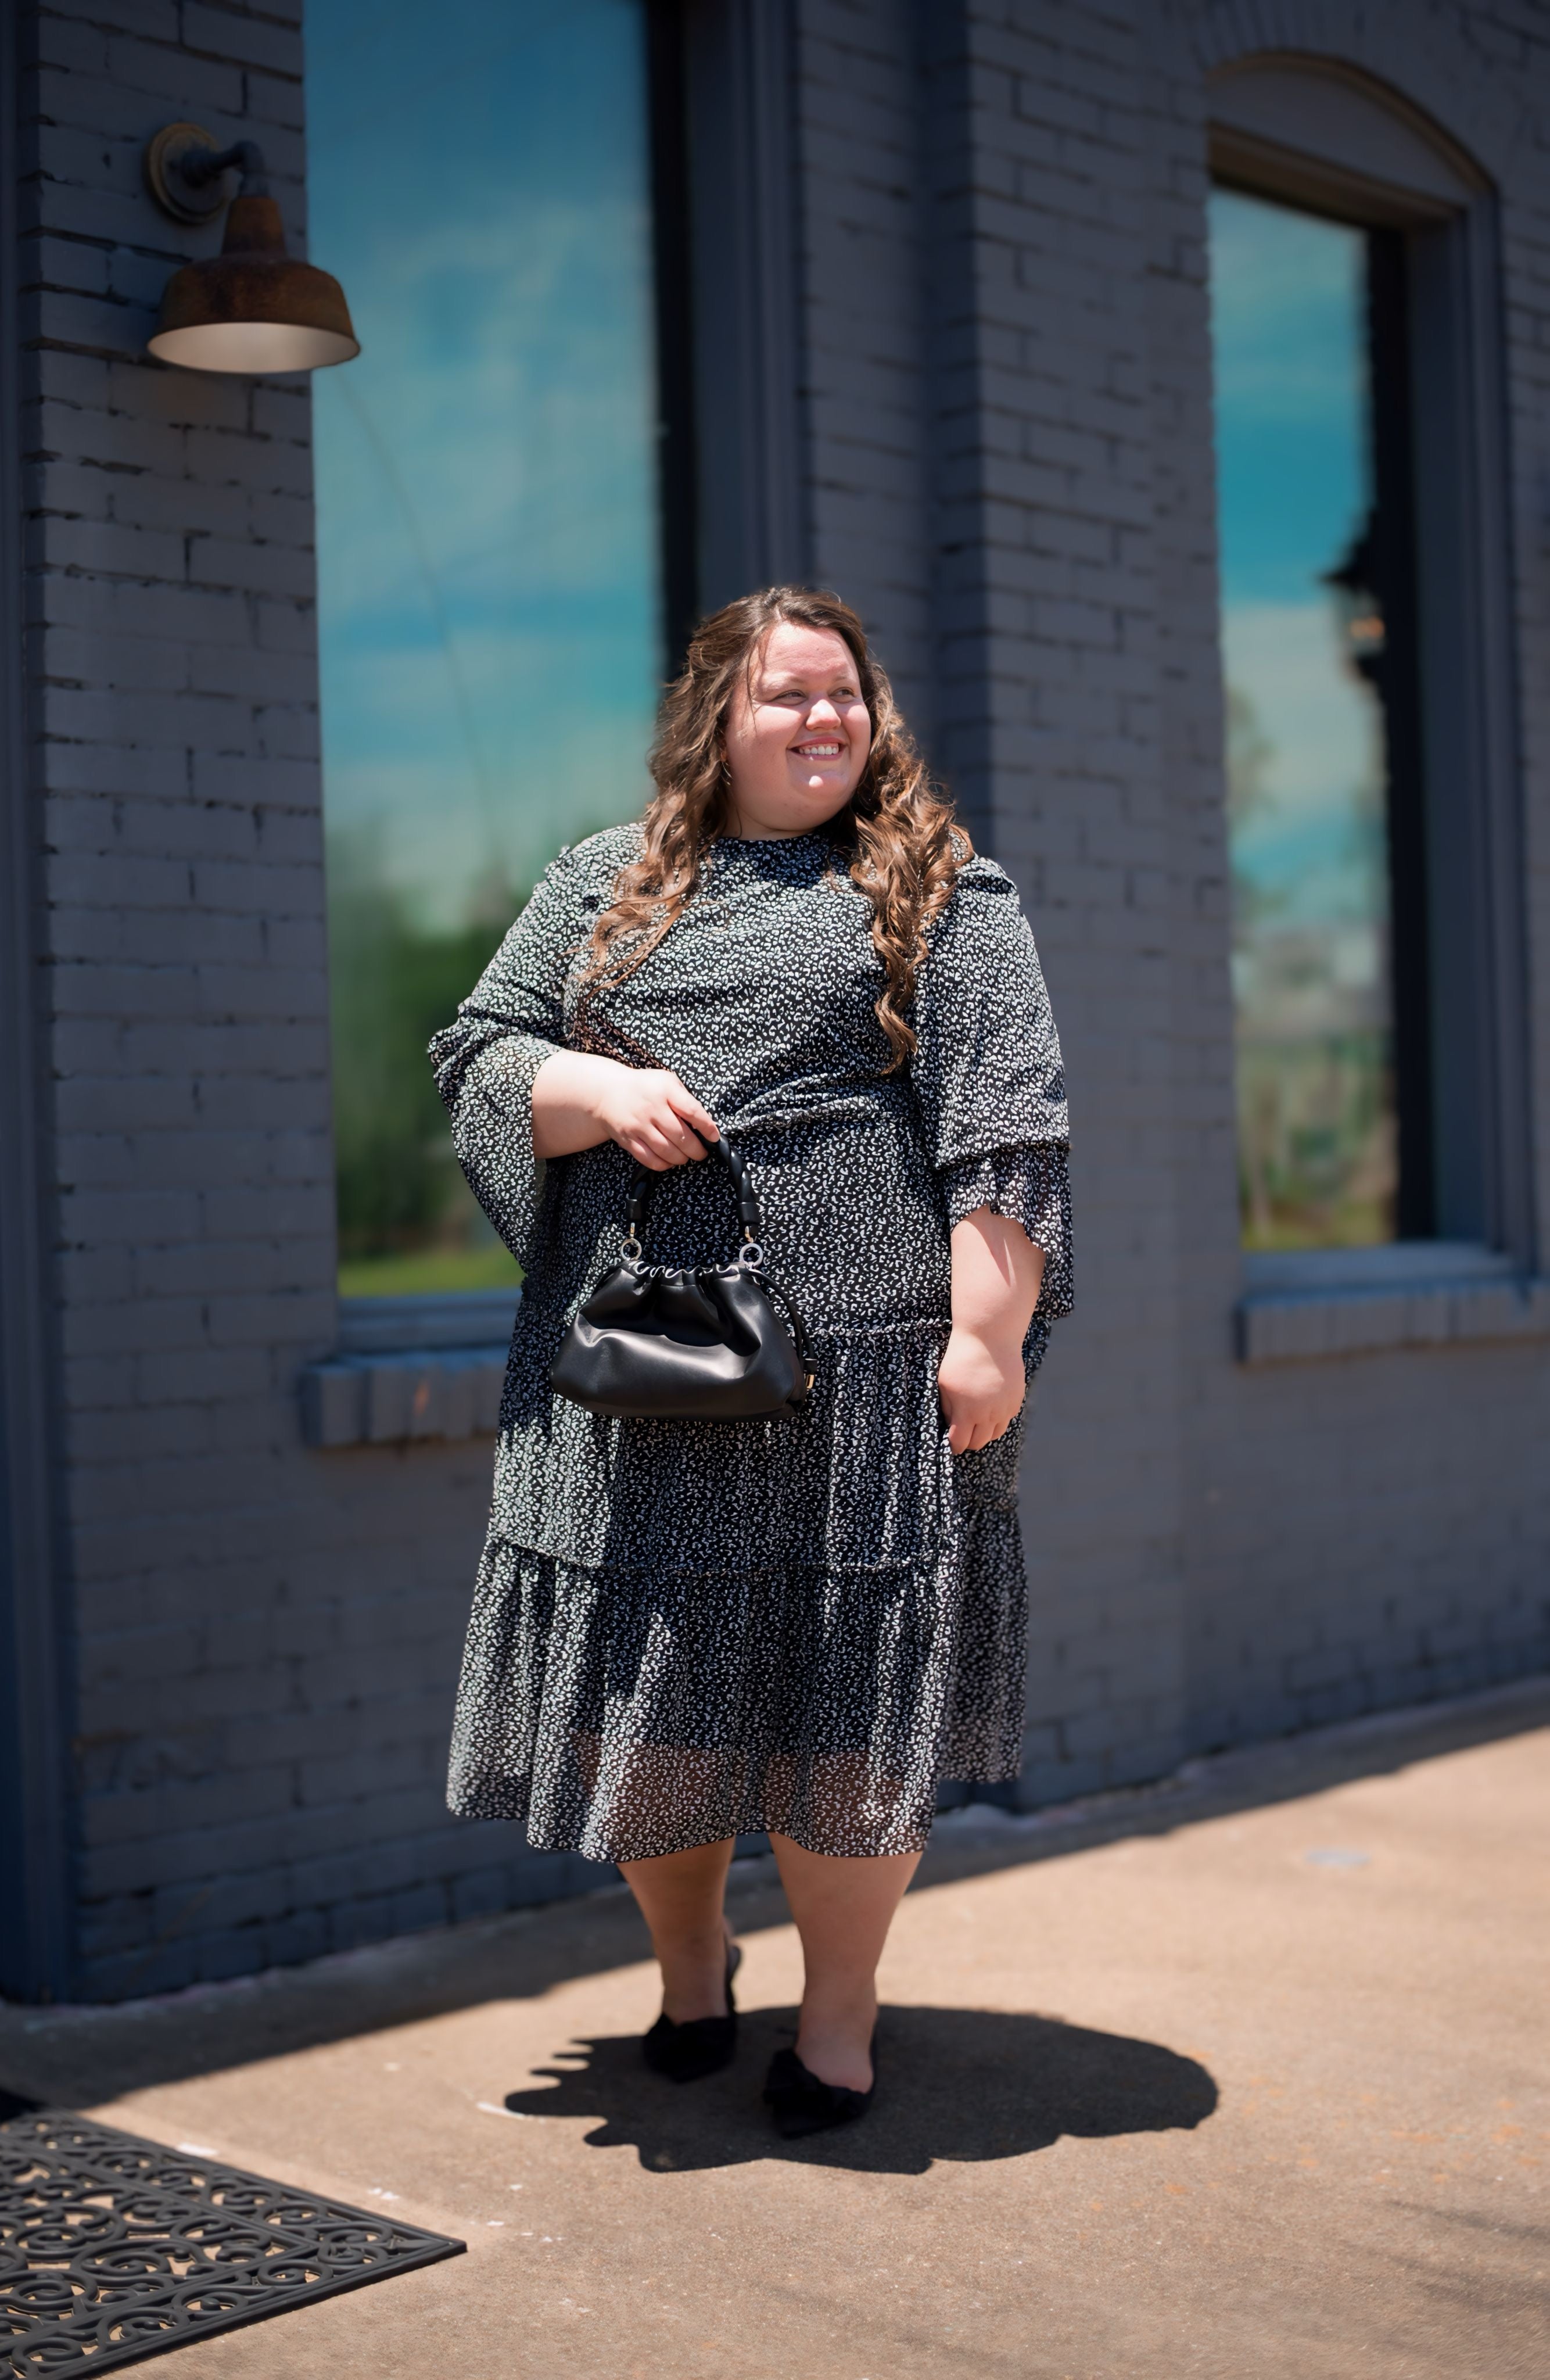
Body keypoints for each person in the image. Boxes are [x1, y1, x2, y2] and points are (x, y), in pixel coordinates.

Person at [429, 586, 1071, 2138]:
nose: (822, 721)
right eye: (786, 695)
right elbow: (477, 1049)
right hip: (642, 1362)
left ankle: (838, 2022)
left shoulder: (939, 891)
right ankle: (691, 1971)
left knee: (847, 1707)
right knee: (663, 1697)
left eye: (843, 693)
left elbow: (1003, 1124)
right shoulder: (601, 876)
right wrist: (584, 1083)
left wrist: (986, 1339)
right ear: (716, 714)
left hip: (863, 1385)